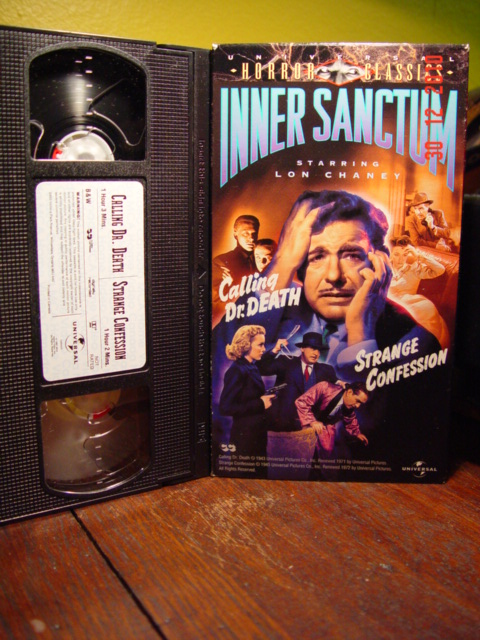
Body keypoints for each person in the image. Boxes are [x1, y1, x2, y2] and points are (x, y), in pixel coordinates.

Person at [262, 189, 441, 381]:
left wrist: (360, 335)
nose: (334, 275)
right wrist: (283, 262)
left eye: (352, 256)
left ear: (379, 263)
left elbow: (363, 398)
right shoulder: (276, 304)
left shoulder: (416, 343)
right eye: (318, 257)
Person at [219, 325, 275, 473]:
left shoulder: (252, 367)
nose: (263, 349)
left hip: (257, 436)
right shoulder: (236, 370)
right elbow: (225, 407)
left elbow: (248, 395)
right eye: (260, 345)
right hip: (244, 440)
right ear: (246, 345)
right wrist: (260, 403)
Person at [257, 331, 338, 431]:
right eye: (313, 348)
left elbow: (337, 390)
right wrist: (275, 350)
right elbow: (260, 369)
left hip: (312, 428)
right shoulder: (286, 362)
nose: (316, 353)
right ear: (302, 348)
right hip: (283, 426)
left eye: (318, 350)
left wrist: (340, 383)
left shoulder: (326, 370)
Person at [389, 236, 449, 348]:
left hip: (408, 305)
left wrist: (419, 256)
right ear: (391, 255)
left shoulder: (415, 269)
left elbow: (440, 270)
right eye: (396, 254)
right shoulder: (386, 268)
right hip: (387, 304)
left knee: (427, 308)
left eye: (405, 255)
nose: (400, 259)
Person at [295, 381, 369, 458]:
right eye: (357, 401)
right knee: (303, 448)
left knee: (327, 450)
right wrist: (312, 421)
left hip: (325, 427)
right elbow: (302, 402)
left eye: (360, 403)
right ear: (349, 392)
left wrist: (357, 433)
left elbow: (350, 420)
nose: (358, 406)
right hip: (304, 419)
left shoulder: (349, 407)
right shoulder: (325, 387)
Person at [212, 215, 260, 324]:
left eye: (254, 234)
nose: (251, 238)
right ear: (235, 234)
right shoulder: (221, 262)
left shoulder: (264, 260)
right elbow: (216, 302)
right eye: (245, 234)